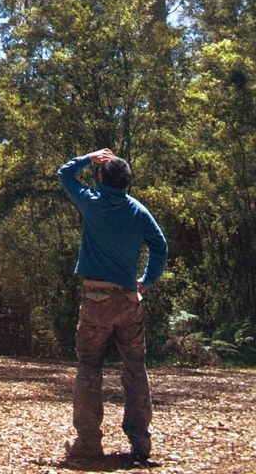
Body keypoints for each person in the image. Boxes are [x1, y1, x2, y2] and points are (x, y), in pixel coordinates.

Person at [57, 148, 167, 465]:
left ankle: (88, 443)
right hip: (130, 300)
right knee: (135, 368)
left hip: (96, 300)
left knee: (89, 367)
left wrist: (88, 157)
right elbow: (160, 246)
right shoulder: (137, 210)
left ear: (103, 177)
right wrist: (146, 280)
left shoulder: (92, 203)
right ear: (127, 182)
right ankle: (140, 443)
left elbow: (64, 174)